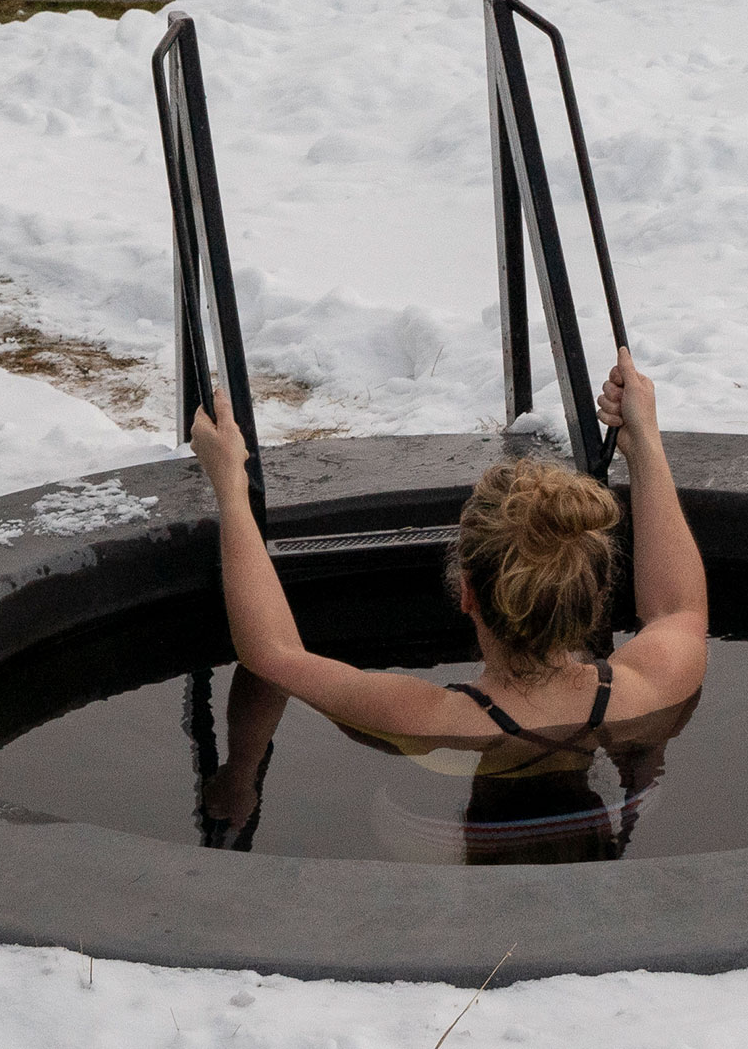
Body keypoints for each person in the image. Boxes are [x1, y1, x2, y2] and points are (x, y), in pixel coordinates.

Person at [186, 361, 705, 862]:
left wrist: (230, 487)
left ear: (467, 595)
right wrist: (644, 440)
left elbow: (270, 653)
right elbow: (677, 608)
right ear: (597, 595)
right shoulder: (643, 694)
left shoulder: (428, 720)